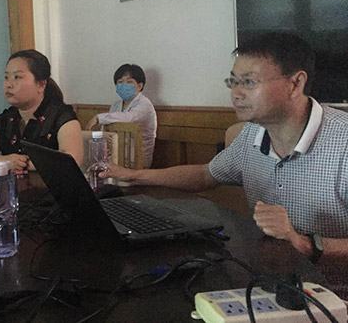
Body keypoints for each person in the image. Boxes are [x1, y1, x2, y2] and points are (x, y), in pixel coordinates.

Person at [101, 33, 348, 264]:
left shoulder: (343, 141)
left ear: (296, 83)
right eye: (233, 81)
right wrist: (135, 175)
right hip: (269, 276)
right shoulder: (252, 133)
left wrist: (306, 244)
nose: (235, 94)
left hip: (331, 291)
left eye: (249, 82)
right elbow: (205, 175)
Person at [0, 49, 83, 171]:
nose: (9, 85)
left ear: (41, 85)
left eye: (17, 77)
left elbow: (71, 160)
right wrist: (6, 162)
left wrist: (22, 164)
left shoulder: (62, 116)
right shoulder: (8, 118)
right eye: (6, 77)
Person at [86, 64, 157, 168]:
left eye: (129, 82)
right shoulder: (116, 105)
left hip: (137, 161)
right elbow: (108, 128)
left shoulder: (145, 104)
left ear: (139, 86)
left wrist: (98, 118)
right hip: (116, 158)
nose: (124, 85)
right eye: (120, 82)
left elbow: (128, 118)